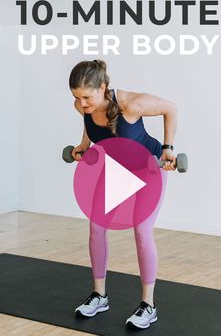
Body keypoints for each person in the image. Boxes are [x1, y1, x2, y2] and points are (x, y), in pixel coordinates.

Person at [69, 59, 177, 329]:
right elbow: (90, 126)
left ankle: (148, 305)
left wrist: (168, 148)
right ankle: (99, 295)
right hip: (117, 171)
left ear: (103, 87)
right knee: (96, 227)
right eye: (77, 97)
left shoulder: (131, 103)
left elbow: (170, 108)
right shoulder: (83, 107)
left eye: (87, 96)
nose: (82, 103)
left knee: (141, 230)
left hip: (149, 168)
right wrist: (83, 145)